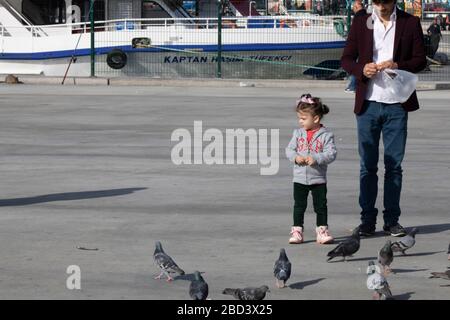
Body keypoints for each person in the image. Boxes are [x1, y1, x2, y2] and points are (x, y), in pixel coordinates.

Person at [341, 0, 426, 237]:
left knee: (394, 167)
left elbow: (420, 60)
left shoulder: (411, 22)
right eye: (377, 2)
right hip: (367, 104)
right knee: (367, 166)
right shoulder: (361, 21)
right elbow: (346, 59)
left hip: (397, 104)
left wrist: (397, 64)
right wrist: (361, 70)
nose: (382, 7)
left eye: (386, 2)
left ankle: (392, 220)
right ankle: (367, 221)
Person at [285, 94, 337, 245]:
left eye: (303, 118)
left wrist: (317, 158)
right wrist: (295, 157)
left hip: (318, 178)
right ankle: (297, 230)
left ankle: (322, 231)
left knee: (320, 206)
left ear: (315, 119)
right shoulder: (298, 133)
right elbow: (289, 150)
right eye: (299, 118)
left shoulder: (326, 135)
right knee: (299, 205)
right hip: (299, 178)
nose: (300, 121)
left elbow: (331, 153)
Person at [345, 0, 367, 93]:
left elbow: (356, 32)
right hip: (364, 45)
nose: (353, 9)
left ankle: (352, 86)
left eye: (354, 7)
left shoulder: (359, 16)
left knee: (357, 66)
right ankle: (353, 85)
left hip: (360, 45)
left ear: (357, 7)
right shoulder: (366, 15)